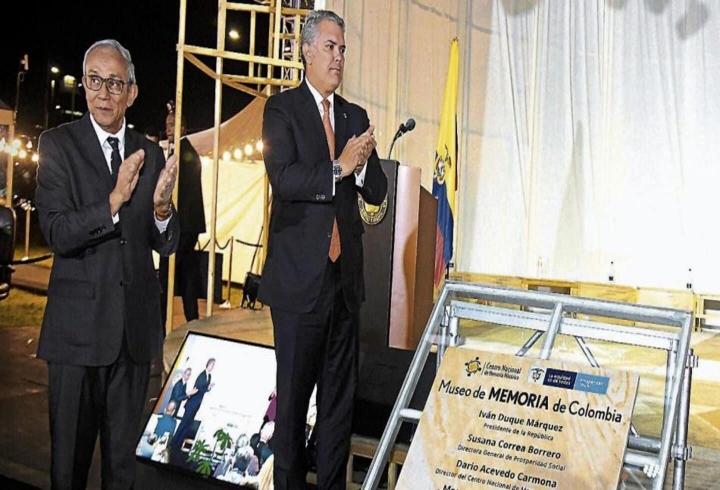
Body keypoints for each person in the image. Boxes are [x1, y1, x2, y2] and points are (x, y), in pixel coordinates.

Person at [34, 39, 179, 489]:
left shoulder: (150, 153)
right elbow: (57, 232)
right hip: (77, 340)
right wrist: (114, 201)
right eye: (94, 81)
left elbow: (169, 243)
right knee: (68, 472)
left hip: (133, 343)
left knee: (123, 474)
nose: (103, 93)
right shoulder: (58, 146)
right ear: (84, 85)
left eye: (114, 83)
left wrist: (160, 210)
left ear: (131, 93)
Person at [258, 10, 388, 489]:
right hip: (298, 289)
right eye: (331, 47)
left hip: (343, 287)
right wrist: (339, 166)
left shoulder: (355, 117)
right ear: (307, 51)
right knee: (291, 409)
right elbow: (285, 179)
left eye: (343, 48)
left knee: (338, 409)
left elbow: (375, 191)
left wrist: (361, 167)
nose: (339, 57)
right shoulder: (281, 110)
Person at [159, 107, 206, 324]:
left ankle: (159, 322)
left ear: (183, 128)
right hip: (189, 225)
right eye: (167, 125)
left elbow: (179, 191)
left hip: (182, 226)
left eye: (172, 125)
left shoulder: (181, 153)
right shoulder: (184, 152)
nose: (168, 129)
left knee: (167, 276)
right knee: (187, 275)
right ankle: (192, 320)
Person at [170, 357, 216, 451]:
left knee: (188, 425)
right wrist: (207, 388)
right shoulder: (201, 375)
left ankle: (178, 445)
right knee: (183, 424)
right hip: (191, 404)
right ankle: (173, 444)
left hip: (196, 405)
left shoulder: (209, 376)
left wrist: (209, 388)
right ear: (208, 364)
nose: (213, 367)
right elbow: (199, 388)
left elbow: (203, 390)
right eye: (212, 364)